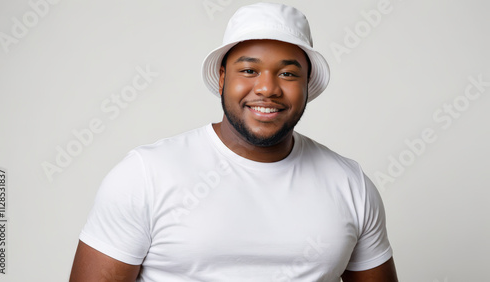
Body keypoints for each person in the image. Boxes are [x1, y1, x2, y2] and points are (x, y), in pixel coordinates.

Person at [70, 3, 398, 282]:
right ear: (223, 78)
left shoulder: (350, 183)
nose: (268, 89)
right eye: (249, 70)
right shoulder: (145, 175)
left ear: (307, 85)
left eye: (287, 74)